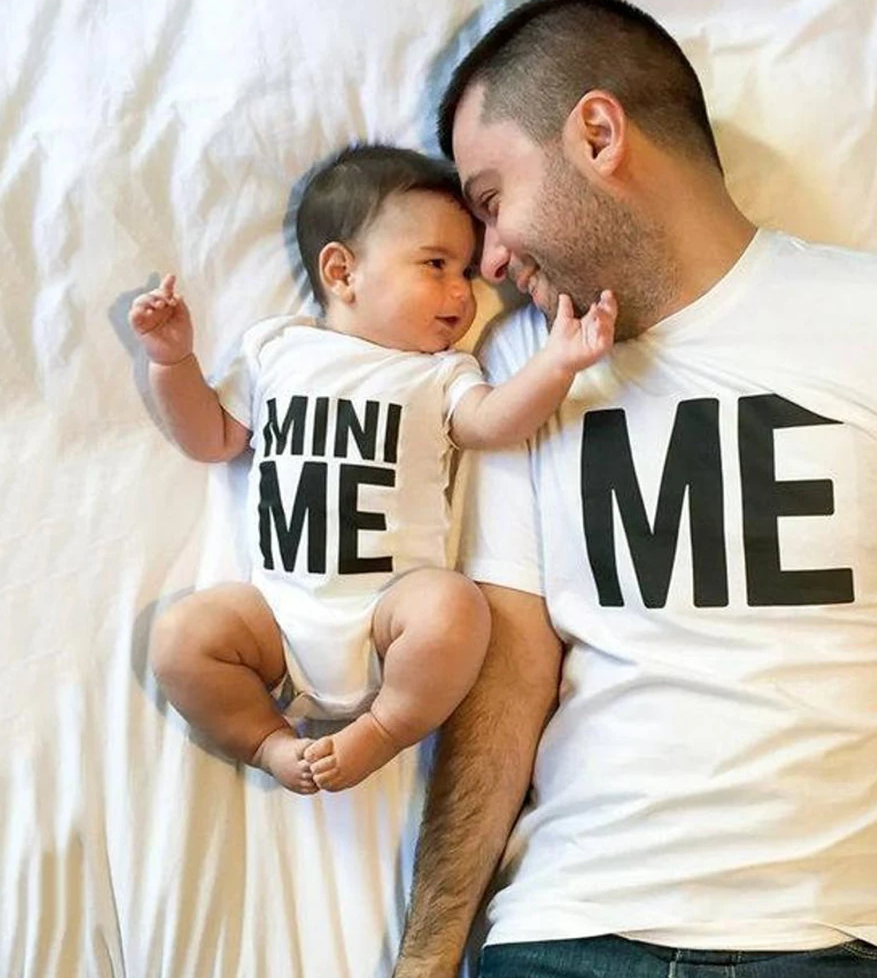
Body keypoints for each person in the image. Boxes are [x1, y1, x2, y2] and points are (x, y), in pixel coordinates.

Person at [392, 0, 877, 978]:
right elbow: (510, 680)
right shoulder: (523, 376)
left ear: (600, 135)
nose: (488, 260)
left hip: (855, 938)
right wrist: (426, 959)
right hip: (569, 933)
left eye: (490, 200)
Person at [129, 144, 616, 795]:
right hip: (276, 621)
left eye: (466, 272)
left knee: (455, 608)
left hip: (391, 619)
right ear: (342, 271)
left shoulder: (440, 372)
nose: (462, 292)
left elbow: (493, 422)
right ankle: (269, 744)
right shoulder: (278, 350)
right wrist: (172, 363)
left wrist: (556, 365)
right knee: (179, 637)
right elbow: (212, 438)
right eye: (436, 265)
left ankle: (383, 729)